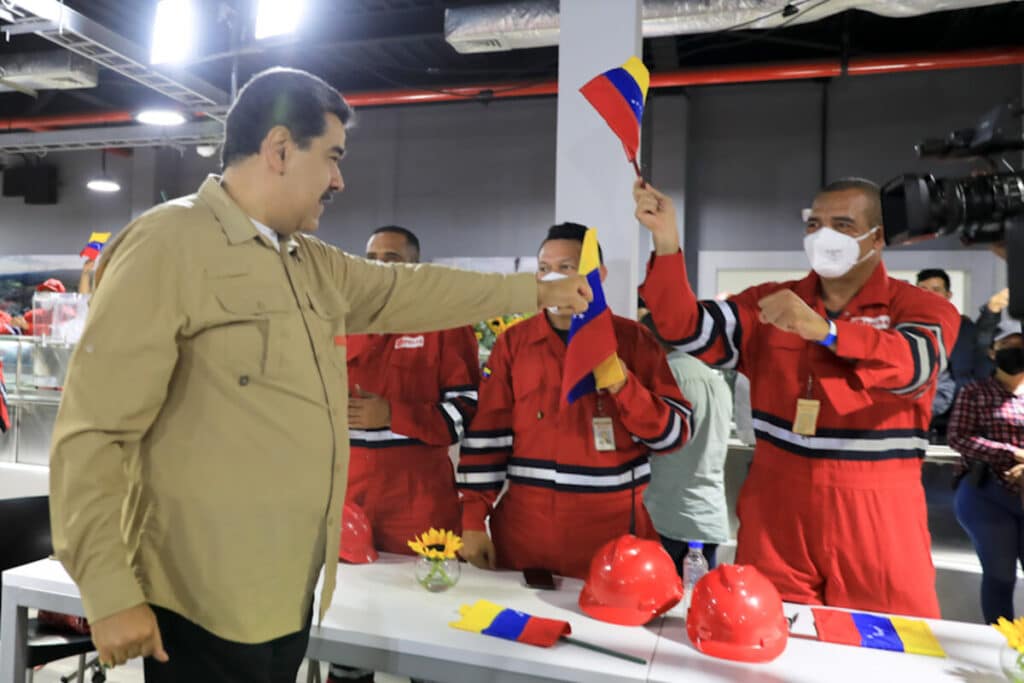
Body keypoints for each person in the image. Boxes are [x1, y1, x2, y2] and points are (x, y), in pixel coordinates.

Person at [48, 66, 591, 682]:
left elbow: (417, 290)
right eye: (331, 157)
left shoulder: (308, 262)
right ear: (280, 149)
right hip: (200, 600)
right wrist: (109, 589)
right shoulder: (167, 247)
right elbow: (93, 433)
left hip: (288, 594)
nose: (339, 178)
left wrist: (536, 289)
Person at [634, 177, 960, 618]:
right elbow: (683, 326)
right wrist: (667, 241)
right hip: (776, 507)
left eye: (843, 224)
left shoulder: (921, 307)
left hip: (878, 510)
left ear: (877, 237)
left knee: (886, 645)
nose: (824, 236)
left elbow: (914, 365)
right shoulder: (769, 303)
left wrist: (826, 332)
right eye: (815, 224)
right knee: (766, 632)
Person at [457, 222, 692, 579]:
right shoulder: (514, 344)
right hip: (524, 533)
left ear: (598, 274)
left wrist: (623, 385)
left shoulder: (634, 341)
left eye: (566, 268)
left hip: (613, 535)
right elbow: (488, 437)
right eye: (544, 269)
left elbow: (674, 436)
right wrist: (473, 520)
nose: (553, 279)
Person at [328, 225, 480, 683]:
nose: (378, 264)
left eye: (391, 258)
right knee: (349, 640)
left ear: (414, 265)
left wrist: (392, 415)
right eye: (372, 255)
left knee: (430, 640)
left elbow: (466, 414)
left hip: (421, 510)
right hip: (350, 506)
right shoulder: (339, 321)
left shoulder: (445, 324)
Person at [639, 311, 731, 570]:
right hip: (708, 515)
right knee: (698, 602)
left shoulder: (666, 377)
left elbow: (648, 437)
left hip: (668, 514)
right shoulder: (716, 379)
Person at [948, 319, 1024, 624]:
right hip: (986, 494)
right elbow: (958, 437)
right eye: (1007, 346)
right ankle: (1003, 646)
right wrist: (1012, 454)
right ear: (993, 352)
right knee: (1000, 574)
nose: (1016, 352)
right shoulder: (975, 391)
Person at [916, 268, 989, 439]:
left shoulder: (967, 330)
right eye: (922, 290)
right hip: (922, 415)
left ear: (948, 295)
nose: (928, 295)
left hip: (963, 414)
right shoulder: (906, 329)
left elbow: (981, 368)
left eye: (936, 290)